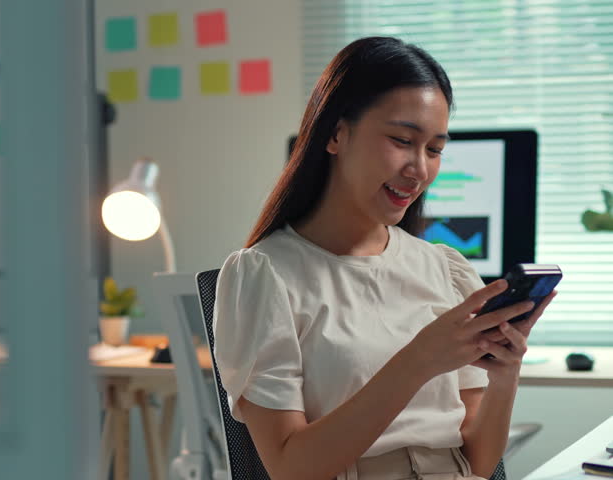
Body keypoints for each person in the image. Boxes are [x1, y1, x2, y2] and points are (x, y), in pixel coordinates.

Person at [213, 36, 556, 480]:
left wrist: (506, 374)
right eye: (402, 140)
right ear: (336, 133)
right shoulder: (266, 274)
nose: (420, 169)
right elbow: (291, 470)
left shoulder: (445, 269)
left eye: (434, 149)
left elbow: (480, 463)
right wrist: (420, 360)